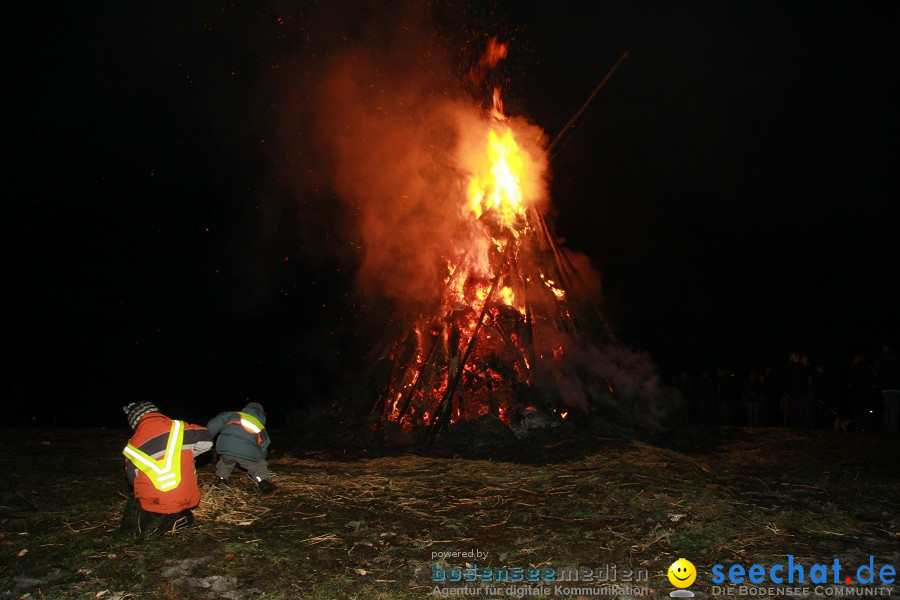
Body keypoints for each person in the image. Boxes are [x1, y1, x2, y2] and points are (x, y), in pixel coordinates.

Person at [120, 402, 213, 535]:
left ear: (135, 423)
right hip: (186, 499)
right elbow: (207, 440)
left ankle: (157, 524)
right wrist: (186, 453)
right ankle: (179, 518)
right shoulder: (179, 428)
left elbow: (132, 481)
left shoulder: (130, 449)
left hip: (154, 504)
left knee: (136, 506)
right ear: (157, 413)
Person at [207, 402, 276, 493]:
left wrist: (207, 436)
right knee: (257, 467)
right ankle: (263, 481)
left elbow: (213, 424)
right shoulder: (260, 427)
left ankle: (222, 479)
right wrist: (260, 458)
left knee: (225, 464)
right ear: (262, 414)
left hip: (225, 448)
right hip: (247, 452)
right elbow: (264, 447)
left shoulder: (233, 415)